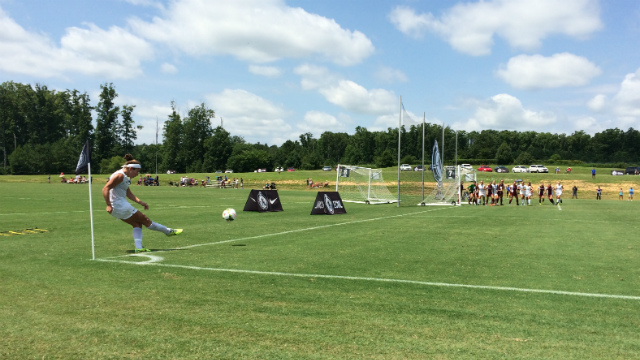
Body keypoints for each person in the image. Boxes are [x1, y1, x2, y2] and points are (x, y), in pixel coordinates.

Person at [102, 154, 182, 253]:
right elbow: (105, 188)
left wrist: (141, 203)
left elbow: (128, 193)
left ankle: (139, 248)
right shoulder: (119, 176)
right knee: (146, 220)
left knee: (137, 224)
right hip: (119, 205)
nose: (137, 174)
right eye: (137, 171)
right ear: (131, 168)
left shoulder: (125, 176)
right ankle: (168, 231)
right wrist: (109, 204)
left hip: (118, 207)